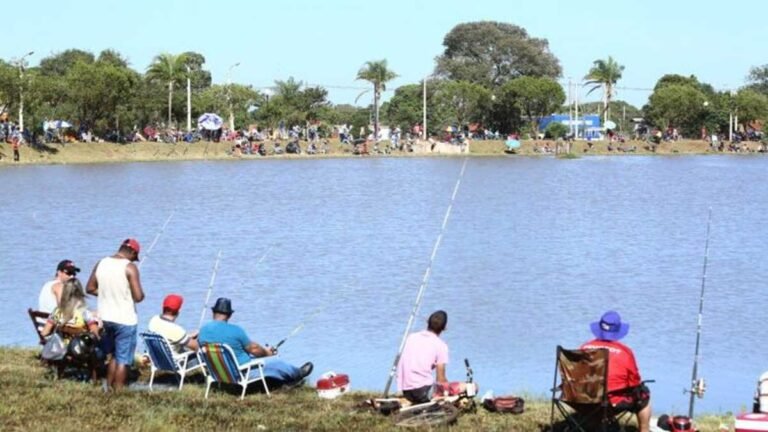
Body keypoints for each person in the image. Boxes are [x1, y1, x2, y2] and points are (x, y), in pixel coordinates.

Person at [198, 297, 313, 388]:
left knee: (262, 360)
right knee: (277, 363)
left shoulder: (203, 331)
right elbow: (254, 349)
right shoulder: (235, 330)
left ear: (213, 312)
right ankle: (298, 374)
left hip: (219, 374)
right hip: (242, 373)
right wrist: (268, 353)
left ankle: (287, 382)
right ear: (229, 315)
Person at [86, 238, 145, 391]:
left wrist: (107, 293)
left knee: (113, 354)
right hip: (125, 320)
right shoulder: (130, 267)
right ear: (132, 252)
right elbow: (139, 297)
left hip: (105, 318)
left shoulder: (102, 263)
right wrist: (124, 294)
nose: (134, 260)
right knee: (123, 360)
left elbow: (90, 288)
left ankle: (108, 389)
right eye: (135, 256)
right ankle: (118, 393)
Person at [580, 310, 651, 432]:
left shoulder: (584, 348)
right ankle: (644, 430)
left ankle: (594, 424)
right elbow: (634, 381)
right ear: (617, 331)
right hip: (611, 401)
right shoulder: (625, 352)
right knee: (643, 394)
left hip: (582, 399)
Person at [397, 310, 476, 404]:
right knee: (473, 386)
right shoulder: (441, 346)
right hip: (424, 392)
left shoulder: (411, 337)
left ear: (427, 321)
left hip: (406, 391)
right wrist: (449, 390)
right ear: (445, 328)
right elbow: (440, 379)